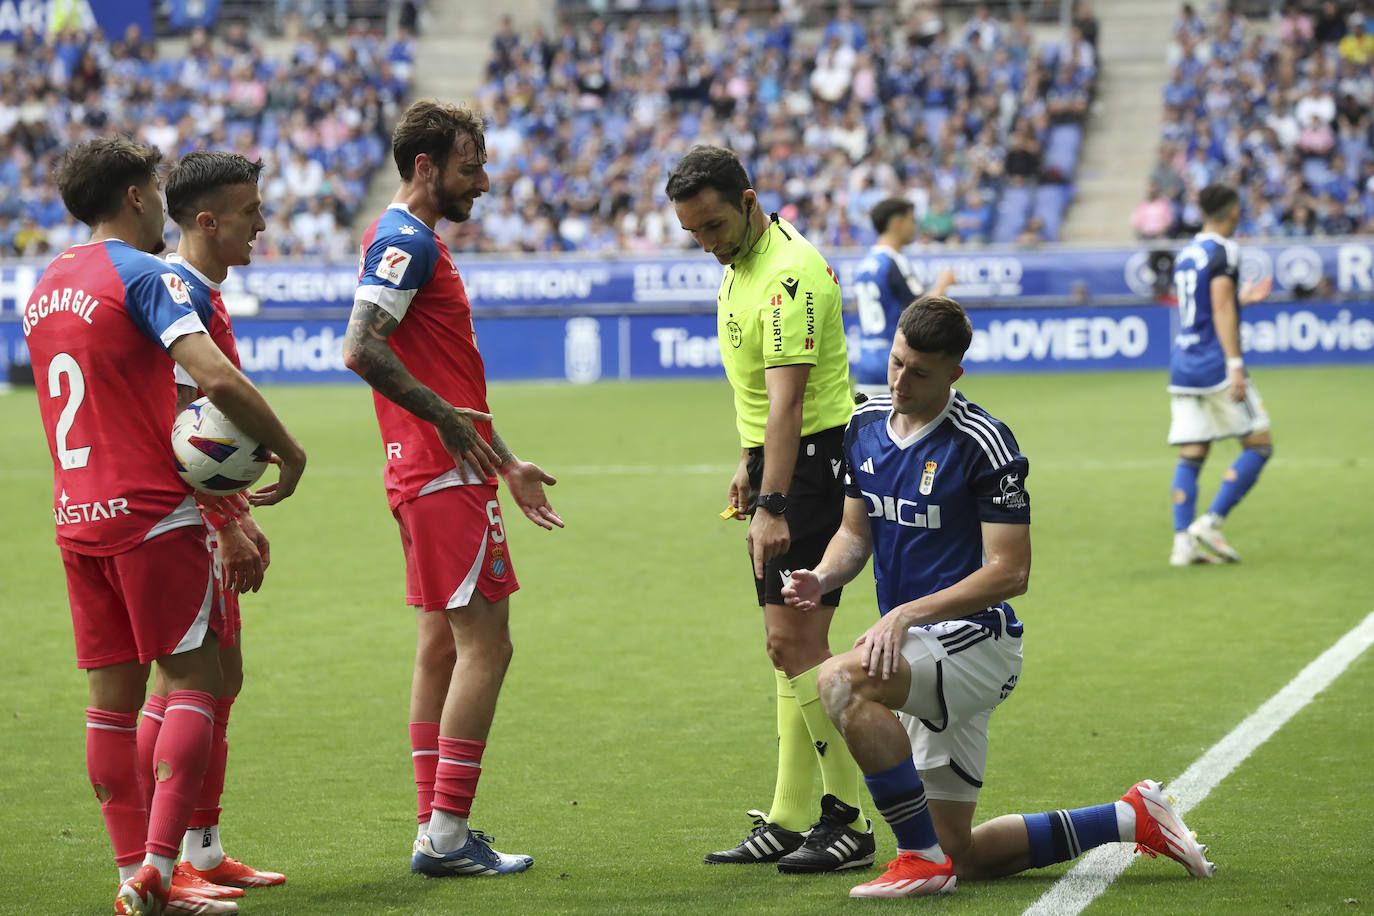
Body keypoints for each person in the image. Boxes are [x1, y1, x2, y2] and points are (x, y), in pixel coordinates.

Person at [783, 296, 1215, 899]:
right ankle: (1130, 816)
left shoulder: (983, 442)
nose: (901, 381)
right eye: (896, 363)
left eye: (920, 372)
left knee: (841, 682)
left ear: (954, 374)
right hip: (914, 645)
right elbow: (856, 534)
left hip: (977, 641)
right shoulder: (865, 423)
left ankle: (914, 859)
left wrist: (905, 613)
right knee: (966, 855)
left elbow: (1011, 573)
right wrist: (822, 578)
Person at [24, 137, 305, 915]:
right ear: (139, 196)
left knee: (109, 704)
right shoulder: (144, 274)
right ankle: (163, 865)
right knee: (193, 682)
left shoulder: (43, 287)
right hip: (150, 510)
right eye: (154, 184)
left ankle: (136, 874)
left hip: (76, 516)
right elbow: (210, 377)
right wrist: (288, 449)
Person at [342, 99, 563, 879]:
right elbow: (360, 346)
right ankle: (445, 833)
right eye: (471, 166)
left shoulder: (410, 238)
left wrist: (506, 461)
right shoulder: (404, 239)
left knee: (440, 645)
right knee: (486, 646)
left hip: (435, 470)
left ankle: (433, 824)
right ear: (427, 166)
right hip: (440, 478)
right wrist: (452, 430)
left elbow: (445, 379)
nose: (487, 180)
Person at [665, 144, 872, 873]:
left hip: (811, 471)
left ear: (748, 200)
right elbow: (762, 400)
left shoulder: (787, 274)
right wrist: (748, 464)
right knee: (788, 648)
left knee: (797, 647)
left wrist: (774, 500)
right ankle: (790, 816)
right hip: (785, 463)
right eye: (693, 232)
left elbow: (790, 402)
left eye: (714, 226)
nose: (707, 243)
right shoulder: (741, 264)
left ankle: (849, 819)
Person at [125, 150, 286, 903]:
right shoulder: (179, 293)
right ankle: (169, 856)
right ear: (207, 219)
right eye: (251, 211)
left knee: (218, 678)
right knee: (187, 680)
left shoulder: (197, 289)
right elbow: (183, 431)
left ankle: (203, 846)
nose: (263, 223)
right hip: (179, 518)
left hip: (198, 514)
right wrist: (227, 519)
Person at [1167, 183, 1273, 567]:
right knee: (1259, 444)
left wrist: (1241, 300)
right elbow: (1222, 310)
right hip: (1214, 364)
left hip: (1183, 363)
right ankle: (1210, 522)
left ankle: (1182, 545)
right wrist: (1236, 366)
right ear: (1233, 213)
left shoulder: (1188, 253)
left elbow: (1202, 307)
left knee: (1193, 452)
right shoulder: (1225, 250)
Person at [852, 197, 955, 400]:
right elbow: (921, 308)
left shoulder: (864, 264)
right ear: (898, 222)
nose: (914, 227)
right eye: (912, 221)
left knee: (870, 428)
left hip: (865, 363)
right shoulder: (894, 261)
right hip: (893, 361)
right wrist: (943, 284)